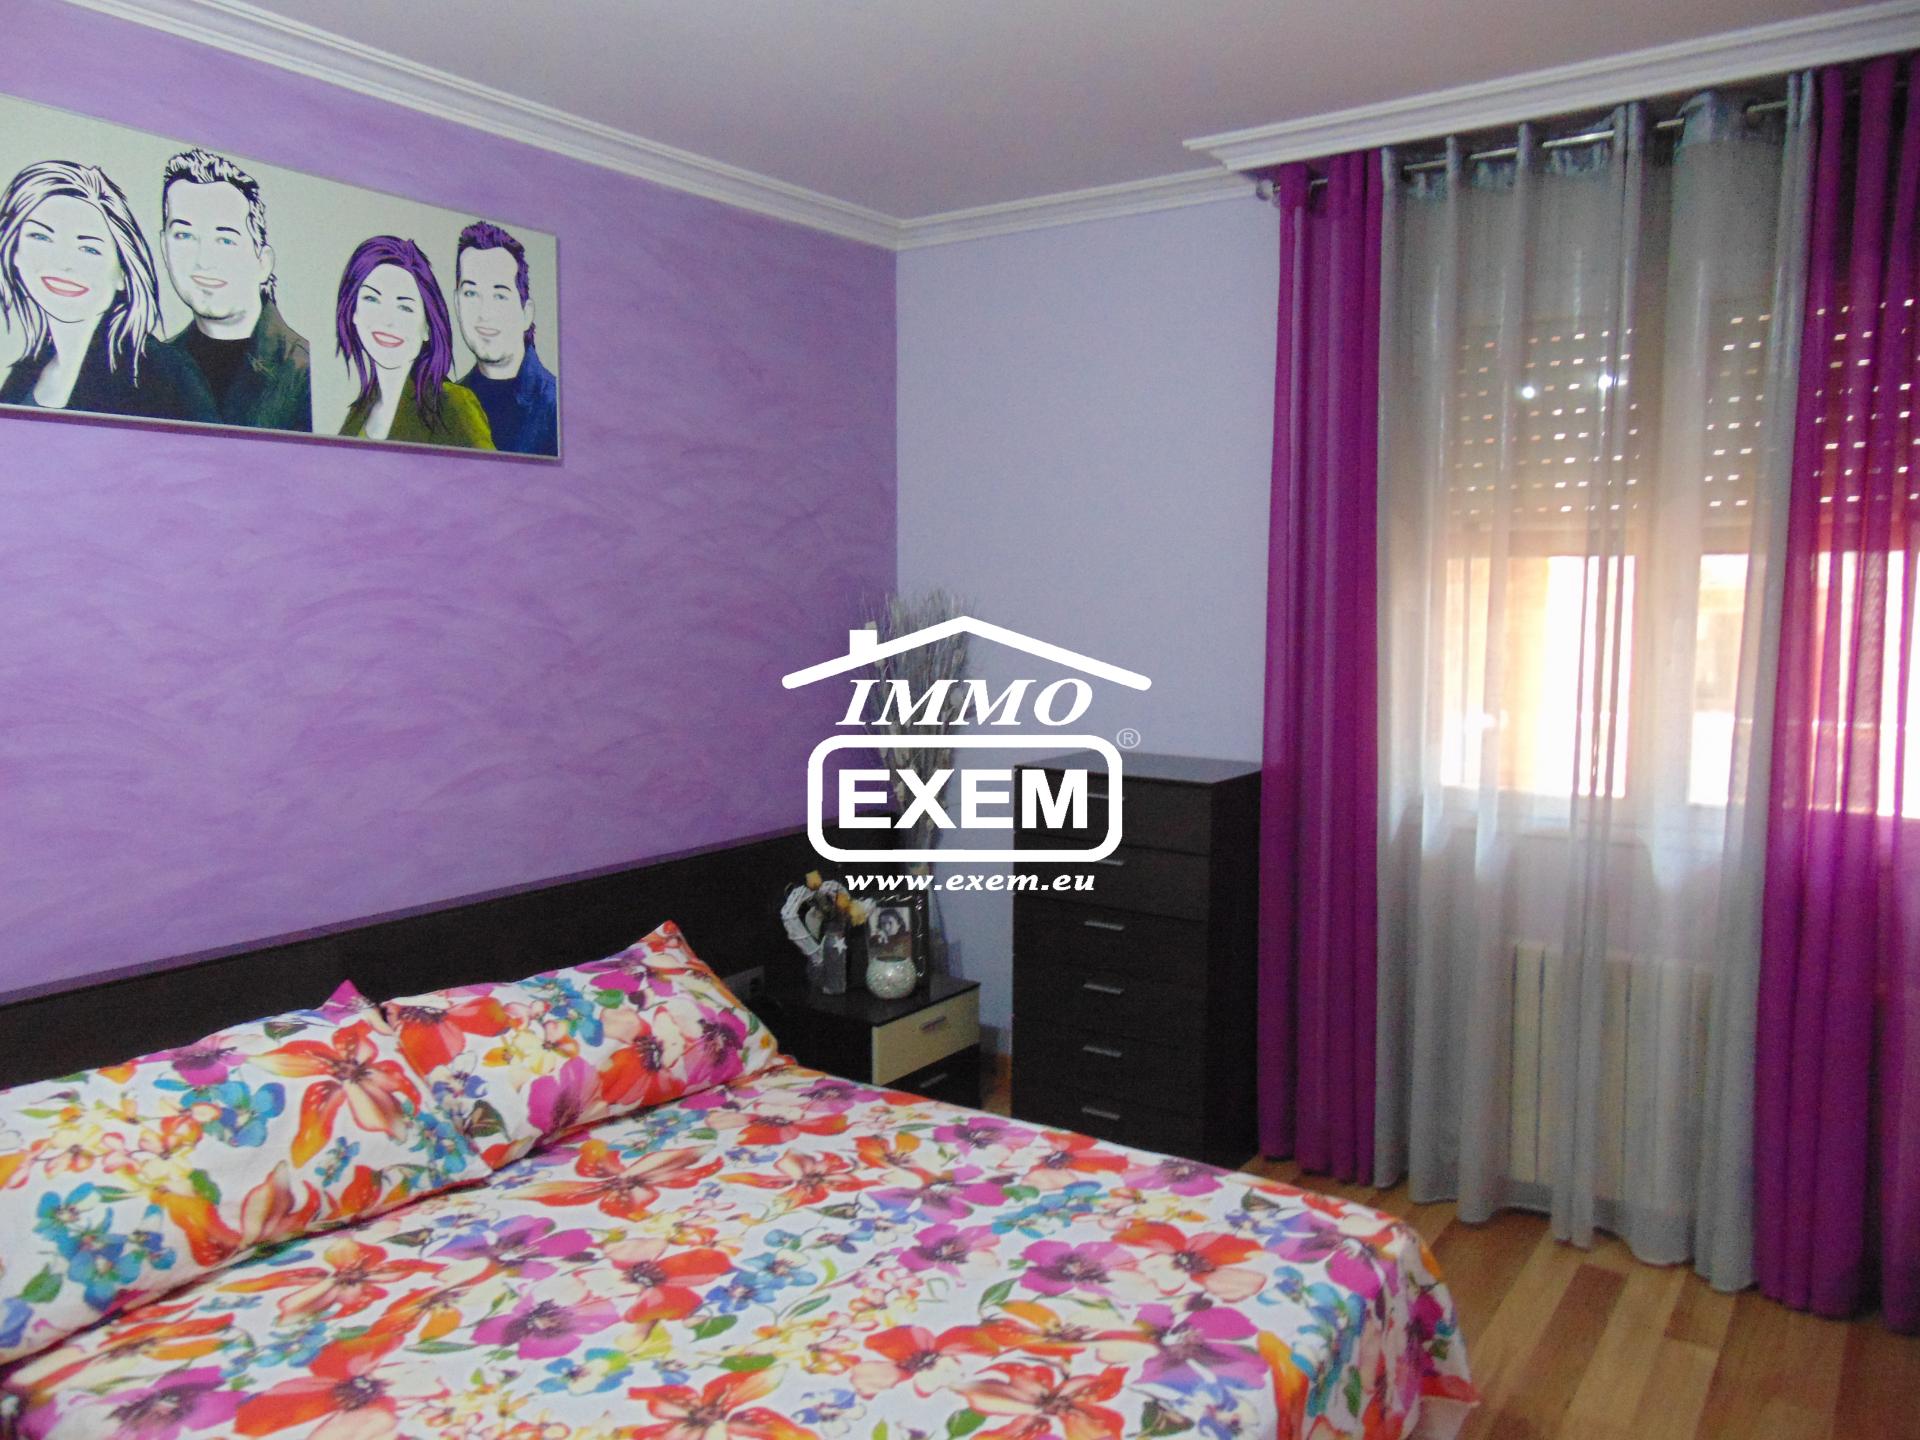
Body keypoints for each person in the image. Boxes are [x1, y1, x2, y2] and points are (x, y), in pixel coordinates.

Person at [0, 159, 215, 422]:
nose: (63, 263)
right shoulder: (24, 375)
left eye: (89, 249)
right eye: (42, 237)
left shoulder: (161, 371)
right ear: (15, 253)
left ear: (123, 273)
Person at [157, 149, 311, 432]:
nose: (204, 260)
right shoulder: (155, 365)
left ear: (263, 262)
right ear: (164, 247)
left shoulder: (303, 368)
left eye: (225, 240)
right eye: (184, 235)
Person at [334, 235, 492, 449]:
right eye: (372, 299)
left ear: (427, 327)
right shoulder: (359, 411)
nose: (387, 320)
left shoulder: (452, 404)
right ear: (353, 312)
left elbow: (493, 471)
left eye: (405, 307)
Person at [453, 220, 557, 456]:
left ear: (526, 313)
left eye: (499, 296)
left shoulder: (555, 406)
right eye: (471, 293)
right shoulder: (449, 404)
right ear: (457, 304)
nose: (484, 313)